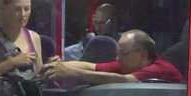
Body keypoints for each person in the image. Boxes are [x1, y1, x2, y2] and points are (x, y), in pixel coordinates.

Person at [43, 29, 183, 86]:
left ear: (143, 55)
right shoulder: (128, 65)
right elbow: (91, 66)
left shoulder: (160, 69)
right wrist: (60, 65)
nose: (117, 58)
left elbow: (124, 80)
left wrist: (73, 74)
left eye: (123, 53)